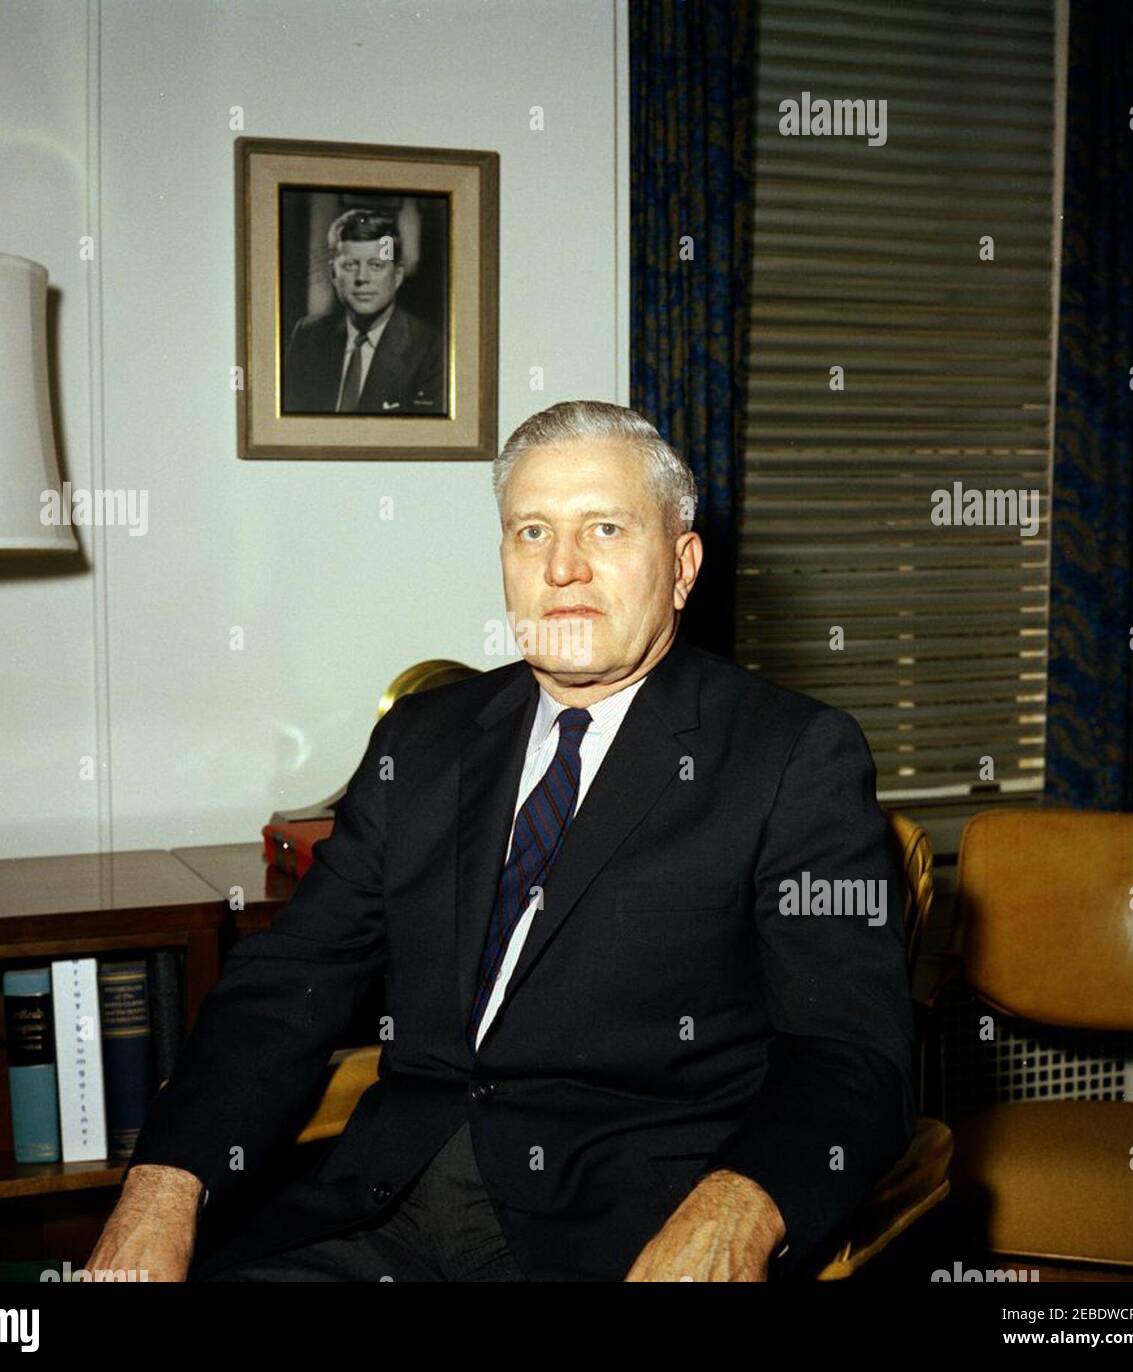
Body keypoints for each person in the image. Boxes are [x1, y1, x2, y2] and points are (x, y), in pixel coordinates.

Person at [88, 400, 915, 1282]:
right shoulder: (423, 739)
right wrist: (164, 1188)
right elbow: (286, 988)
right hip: (372, 1211)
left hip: (620, 1238)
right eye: (531, 531)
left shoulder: (789, 755)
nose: (563, 568)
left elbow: (849, 1053)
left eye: (604, 527)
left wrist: (742, 1206)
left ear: (682, 566)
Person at [280, 208, 444, 416]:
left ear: (398, 275)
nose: (362, 278)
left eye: (376, 265)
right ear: (333, 274)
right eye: (349, 265)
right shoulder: (308, 335)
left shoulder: (432, 350)